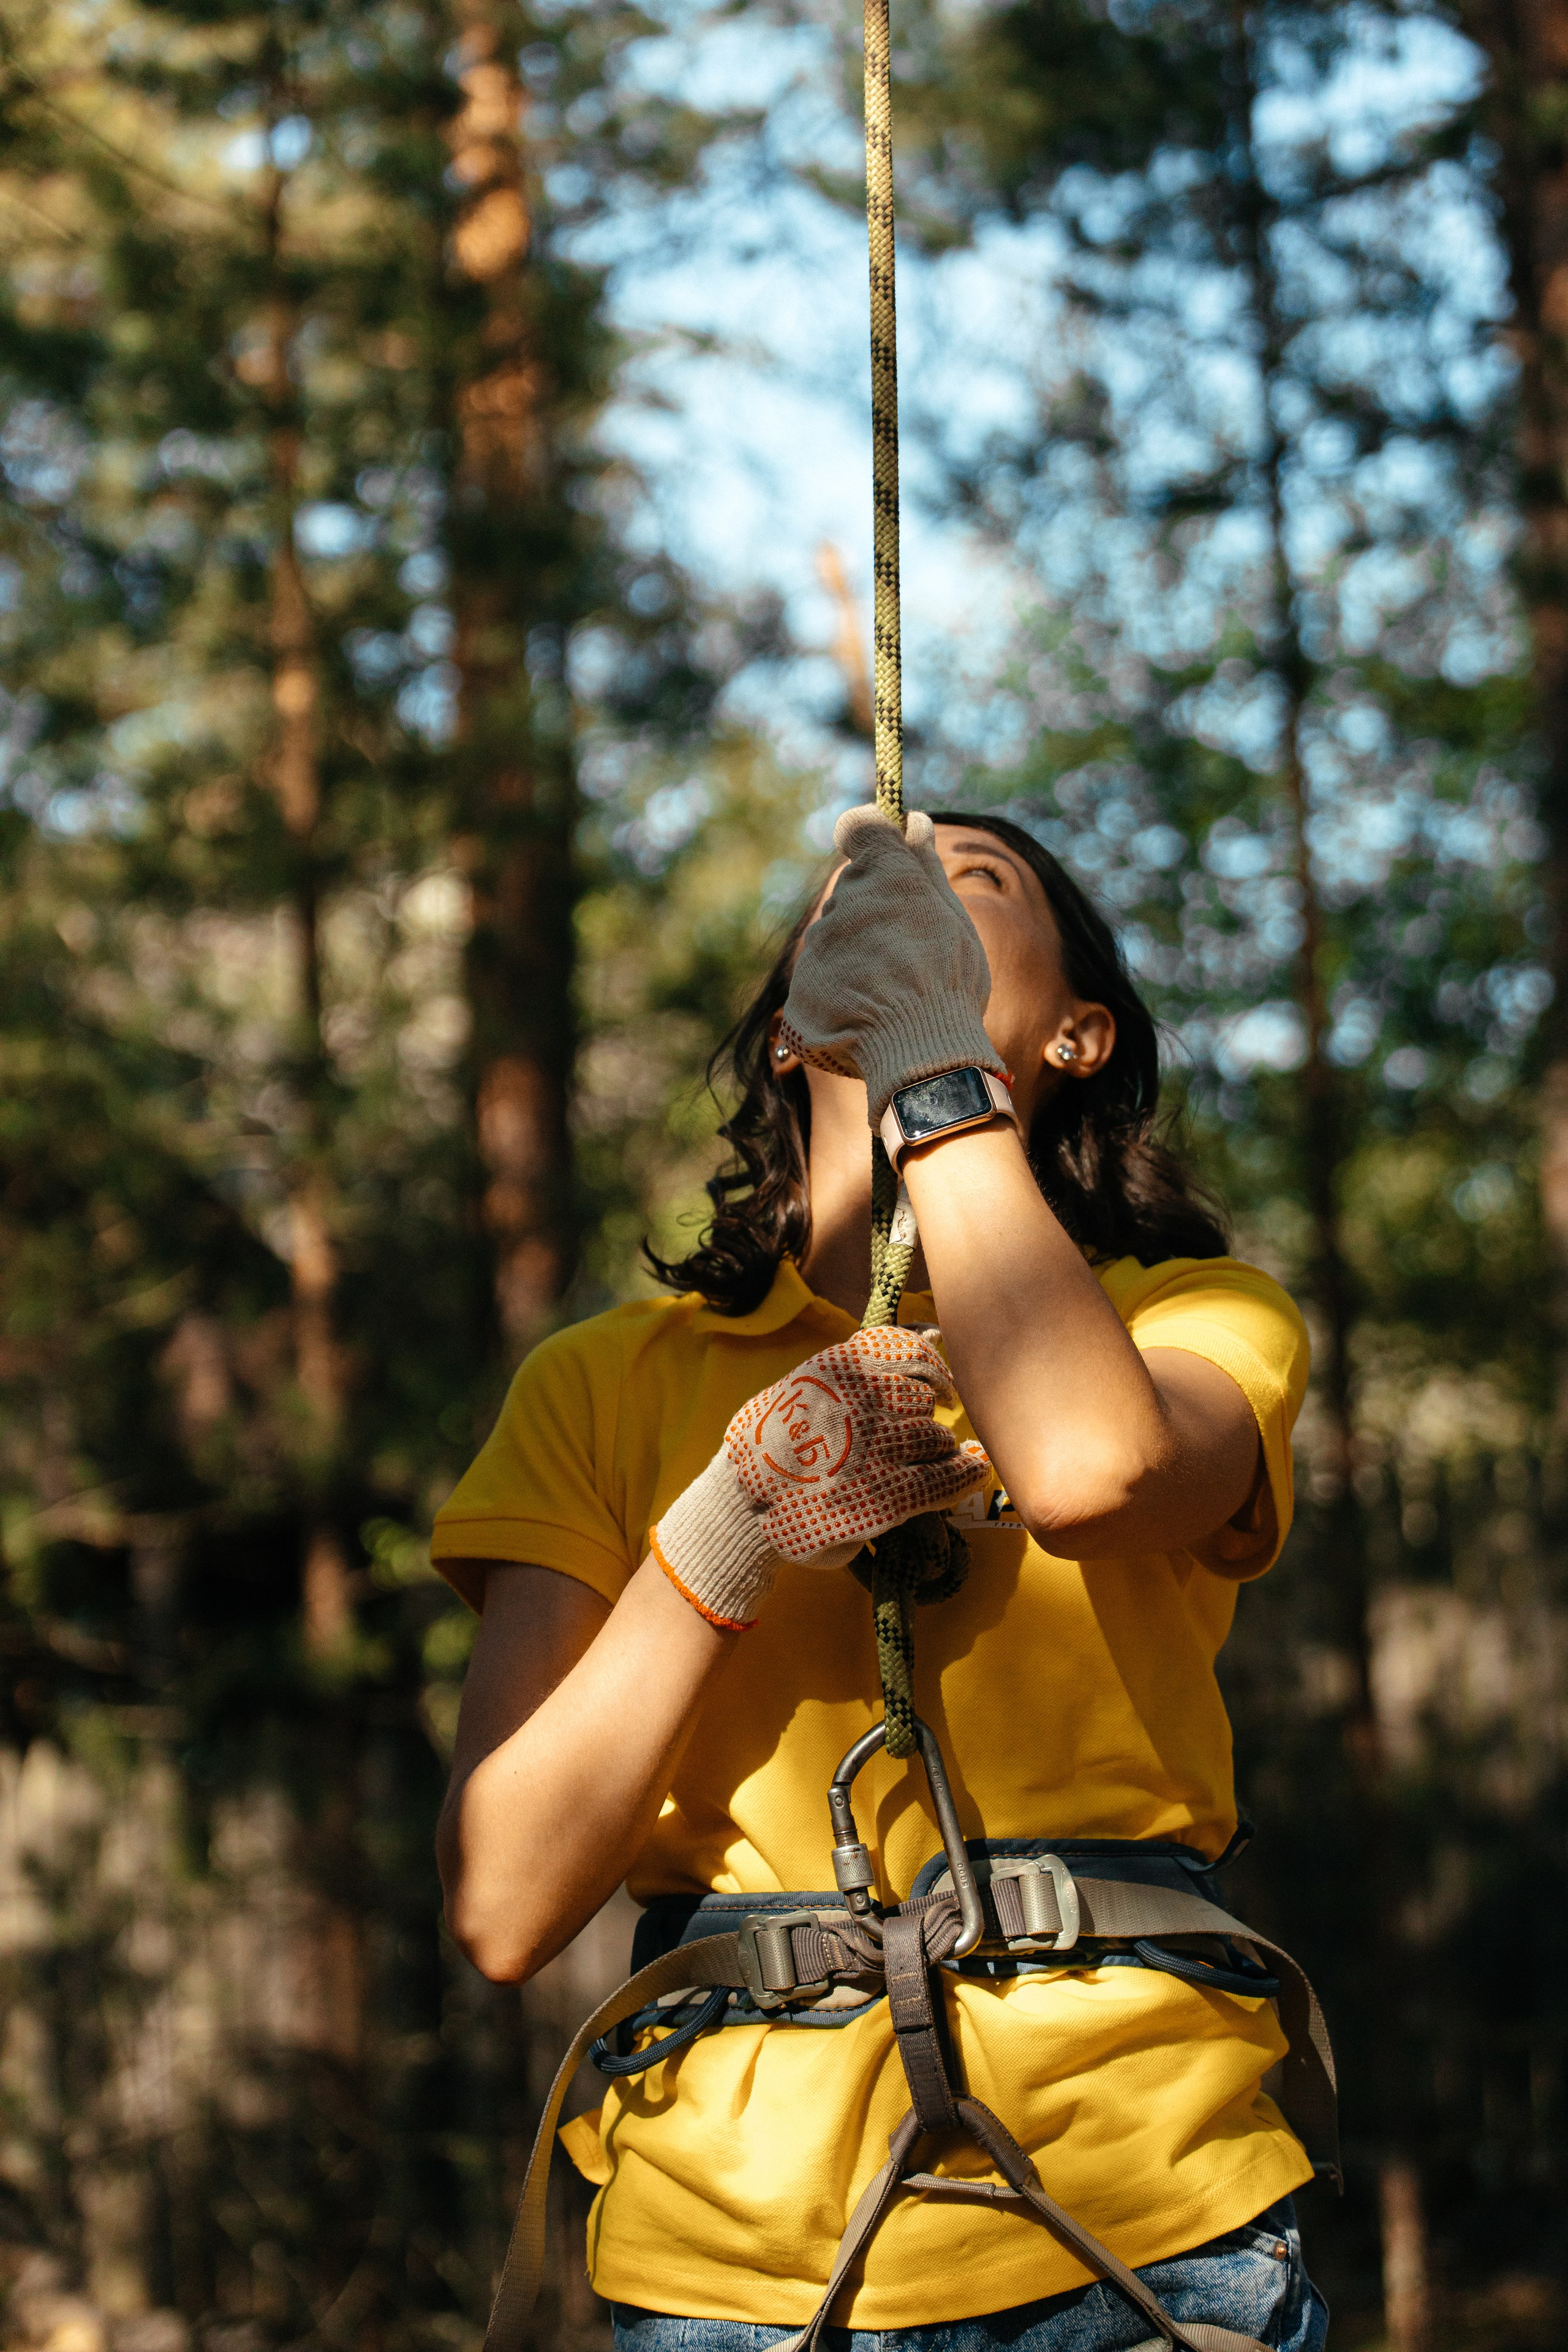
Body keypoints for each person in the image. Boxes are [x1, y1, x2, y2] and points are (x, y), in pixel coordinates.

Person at [432, 807, 1330, 2352]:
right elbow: (503, 1904)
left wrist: (930, 1063)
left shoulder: (1193, 1321)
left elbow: (1089, 1471)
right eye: (862, 892)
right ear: (797, 1027)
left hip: (1143, 2218)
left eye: (971, 880)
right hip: (730, 2271)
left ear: (1075, 1036)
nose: (909, 886)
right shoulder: (603, 1384)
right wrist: (731, 1525)